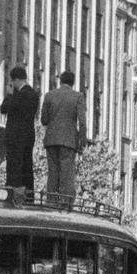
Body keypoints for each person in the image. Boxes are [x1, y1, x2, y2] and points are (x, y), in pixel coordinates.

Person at [40, 70, 87, 201]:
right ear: (73, 82)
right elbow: (82, 122)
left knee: (52, 173)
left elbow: (43, 120)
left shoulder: (49, 95)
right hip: (68, 141)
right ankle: (65, 205)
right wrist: (82, 142)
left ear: (60, 81)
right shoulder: (78, 96)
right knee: (66, 174)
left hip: (51, 140)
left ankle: (51, 203)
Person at [0, 65, 41, 195]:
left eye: (12, 81)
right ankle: (29, 197)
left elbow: (4, 109)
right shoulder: (34, 94)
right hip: (28, 136)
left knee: (13, 168)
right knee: (27, 168)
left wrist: (9, 95)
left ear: (16, 80)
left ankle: (12, 196)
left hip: (15, 137)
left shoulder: (18, 95)